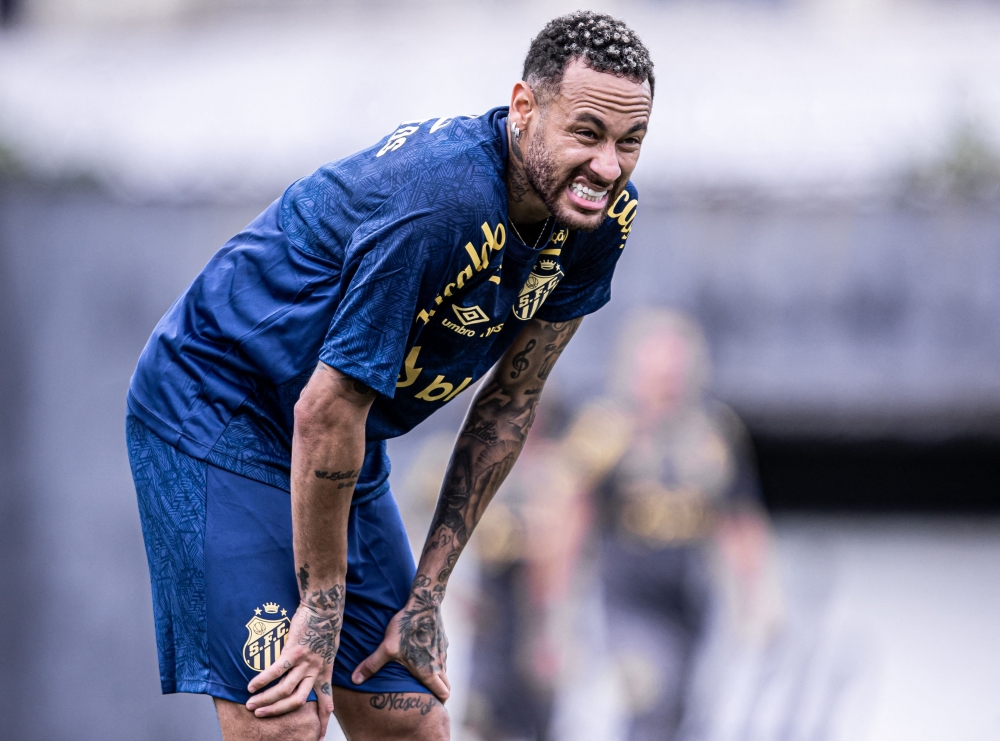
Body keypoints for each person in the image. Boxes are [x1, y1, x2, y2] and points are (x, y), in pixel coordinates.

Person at [125, 12, 654, 741]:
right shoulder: (443, 201)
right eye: (587, 133)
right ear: (524, 109)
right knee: (281, 718)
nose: (607, 166)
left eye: (630, 142)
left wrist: (428, 596)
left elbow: (510, 404)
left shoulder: (600, 219)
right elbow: (325, 407)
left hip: (340, 433)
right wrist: (322, 602)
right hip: (219, 406)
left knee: (408, 719)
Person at [560, 310, 780, 741]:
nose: (667, 385)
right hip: (627, 601)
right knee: (649, 698)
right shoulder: (602, 430)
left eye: (675, 374)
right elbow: (570, 520)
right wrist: (558, 611)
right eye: (657, 374)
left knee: (685, 709)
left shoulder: (714, 431)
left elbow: (738, 517)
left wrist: (760, 595)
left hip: (692, 600)